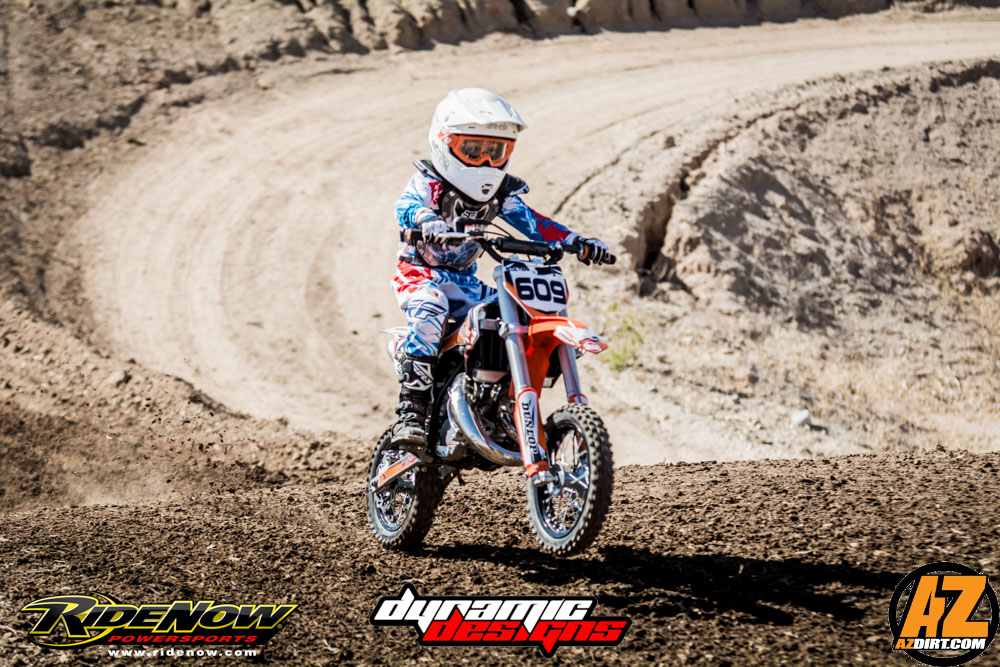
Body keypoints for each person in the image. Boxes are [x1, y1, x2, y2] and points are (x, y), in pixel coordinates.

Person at [390, 87, 612, 449]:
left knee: (518, 314)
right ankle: (411, 414)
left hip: (464, 282)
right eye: (473, 150)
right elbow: (407, 205)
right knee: (431, 307)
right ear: (445, 142)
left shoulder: (500, 193)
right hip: (420, 275)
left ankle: (498, 402)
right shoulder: (429, 182)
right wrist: (425, 219)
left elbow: (533, 223)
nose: (484, 161)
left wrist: (577, 241)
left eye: (495, 151)